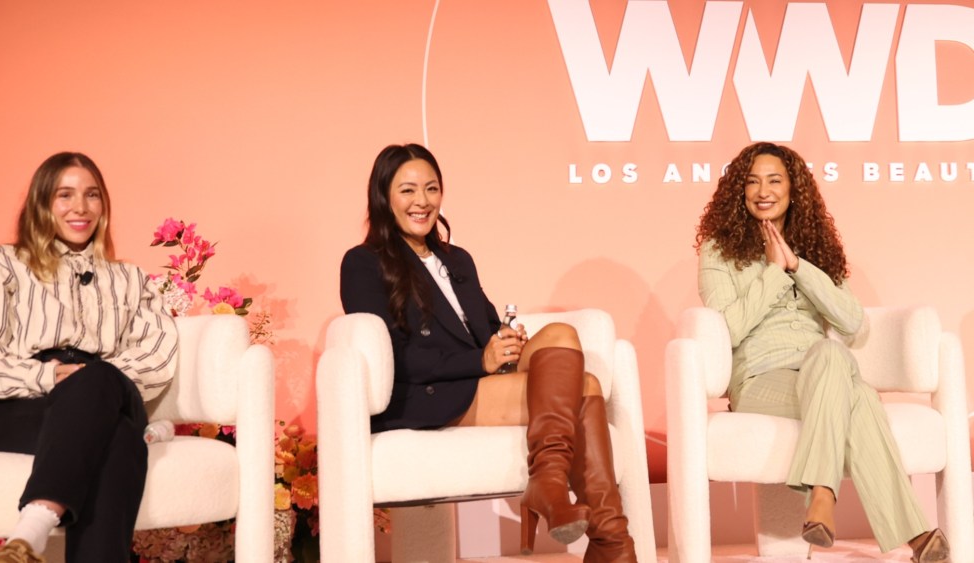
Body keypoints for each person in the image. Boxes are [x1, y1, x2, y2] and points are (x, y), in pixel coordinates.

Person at [340, 143, 636, 562]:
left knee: (561, 334)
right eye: (408, 191)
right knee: (585, 386)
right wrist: (478, 361)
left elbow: (483, 326)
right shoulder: (363, 263)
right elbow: (391, 358)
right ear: (383, 196)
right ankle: (611, 544)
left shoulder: (456, 259)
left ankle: (550, 484)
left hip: (478, 377)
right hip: (427, 394)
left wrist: (503, 340)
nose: (422, 202)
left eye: (431, 188)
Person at [695, 142, 949, 562]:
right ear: (739, 192)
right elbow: (730, 327)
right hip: (759, 381)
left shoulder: (814, 247)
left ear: (794, 190)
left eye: (775, 180)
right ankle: (886, 519)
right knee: (857, 390)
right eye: (752, 181)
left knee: (833, 362)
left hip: (819, 374)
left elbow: (851, 320)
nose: (764, 190)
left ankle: (823, 499)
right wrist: (774, 273)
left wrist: (798, 266)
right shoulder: (718, 252)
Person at [0, 152, 179, 563]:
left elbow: (158, 353)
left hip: (108, 389)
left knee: (98, 378)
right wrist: (47, 377)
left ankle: (33, 525)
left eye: (92, 195)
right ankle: (33, 529)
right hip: (20, 405)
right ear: (41, 204)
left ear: (104, 205)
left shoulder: (129, 278)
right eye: (64, 195)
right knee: (120, 441)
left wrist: (92, 383)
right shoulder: (3, 264)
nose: (80, 208)